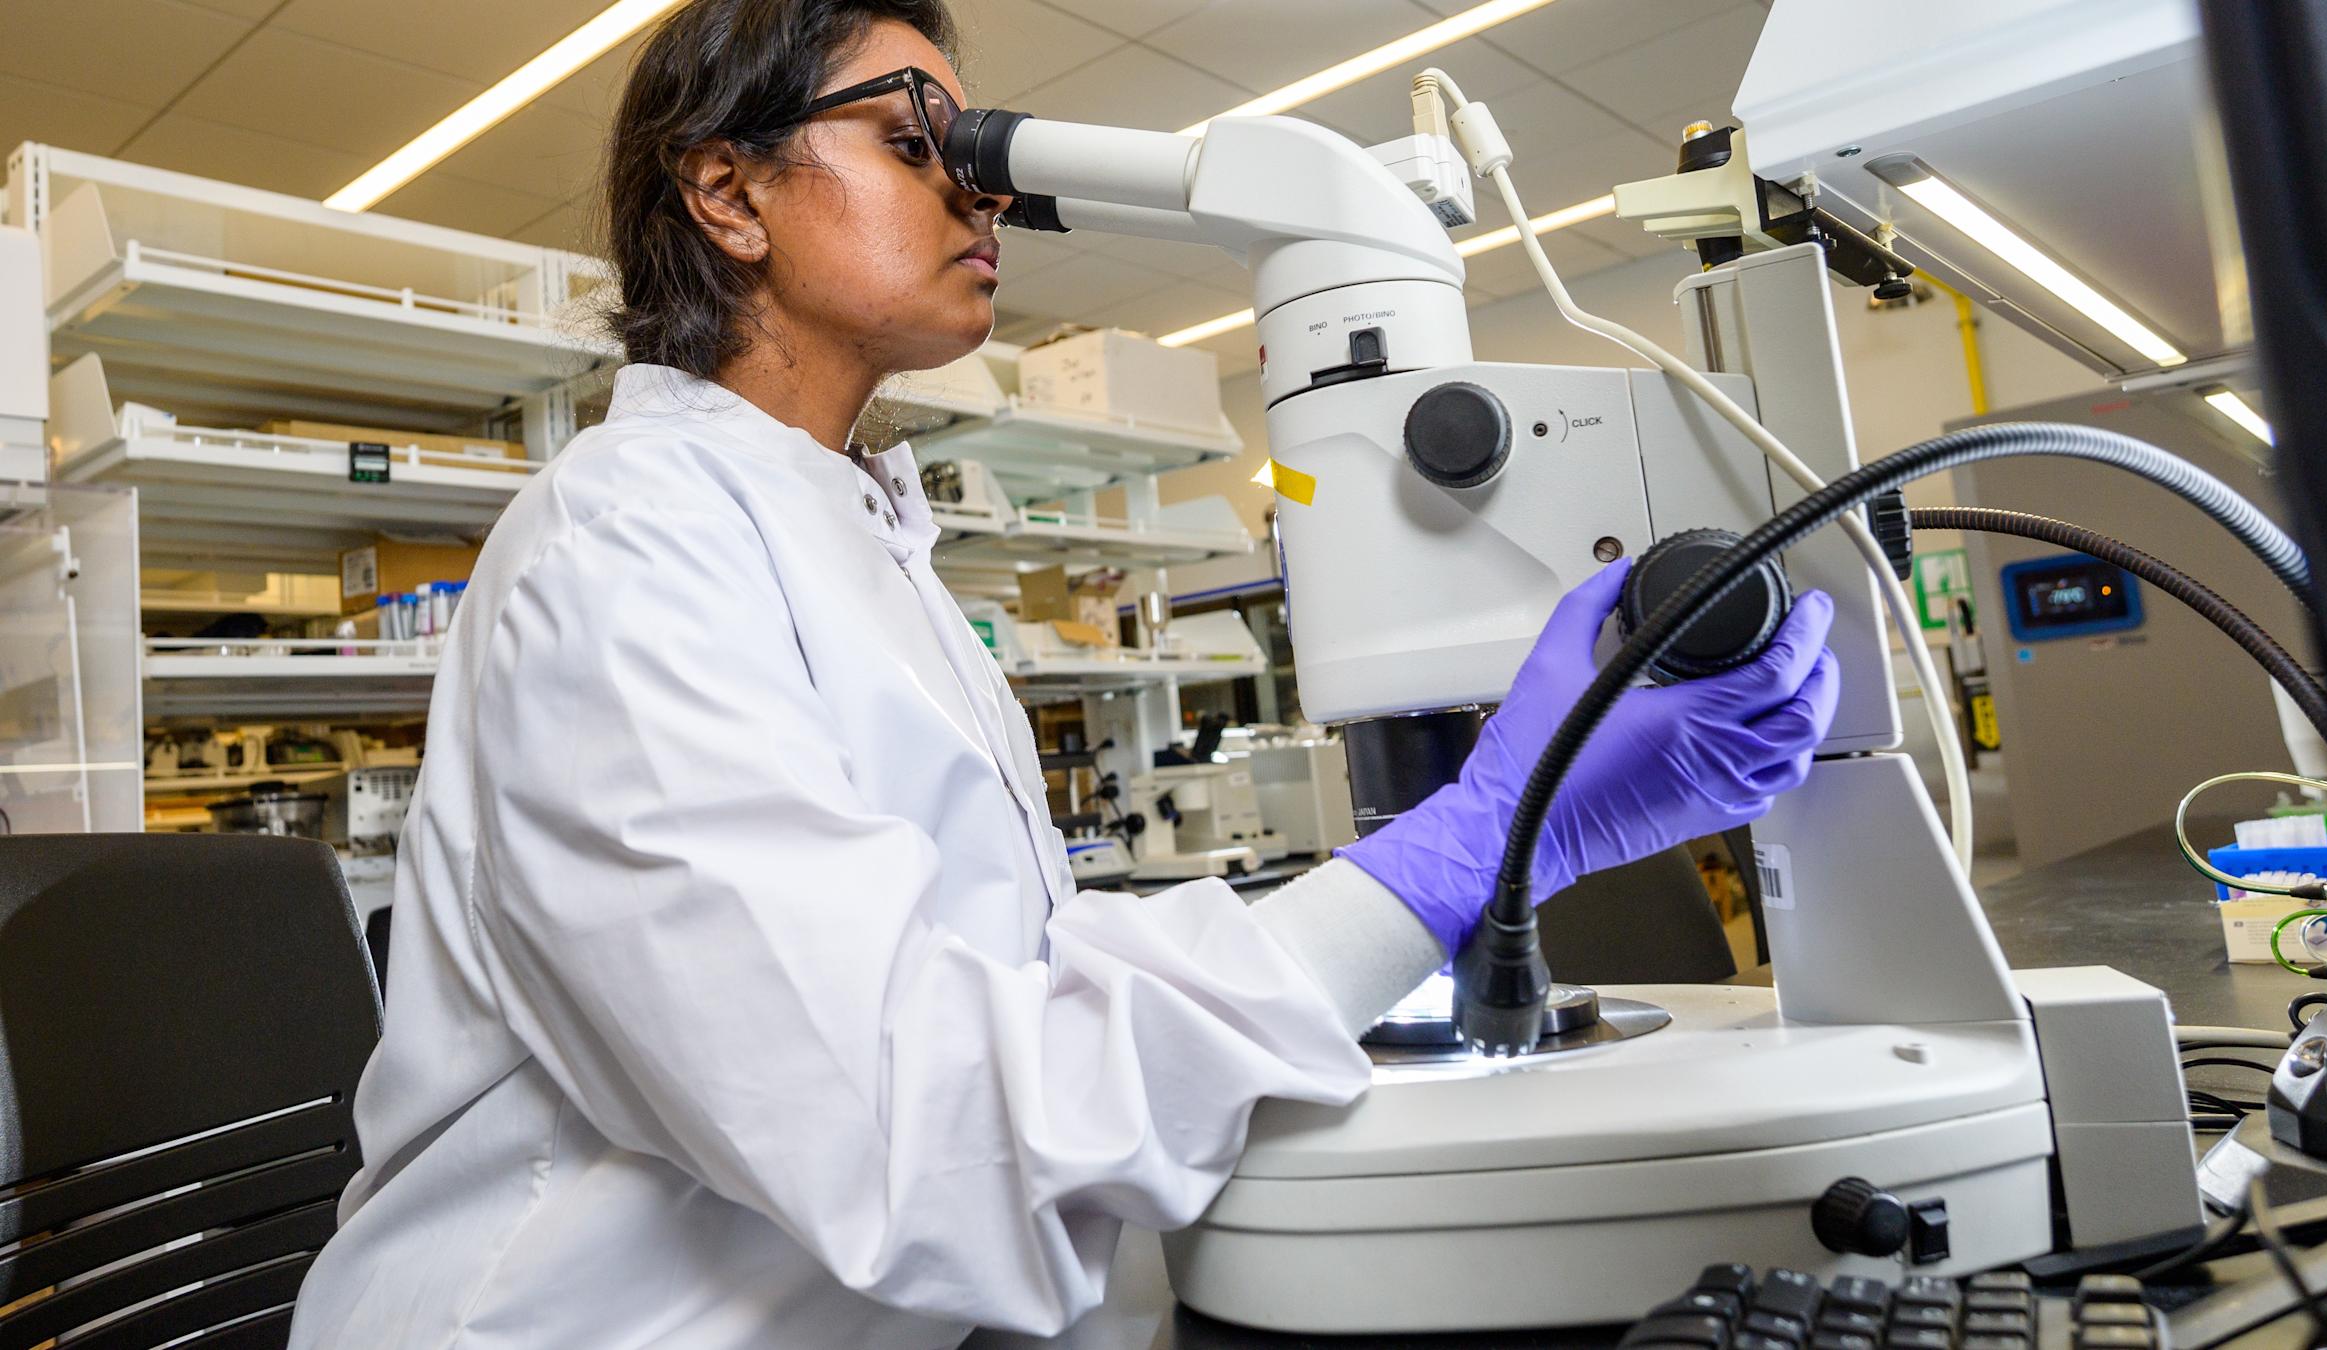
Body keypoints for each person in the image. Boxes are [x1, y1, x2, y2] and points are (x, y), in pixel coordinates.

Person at [286, 1, 1840, 1345]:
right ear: (729, 191)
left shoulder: (861, 533)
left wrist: (1390, 895)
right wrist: (1466, 843)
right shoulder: (619, 551)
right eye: (917, 143)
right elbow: (916, 1129)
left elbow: (1010, 981)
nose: (984, 198)